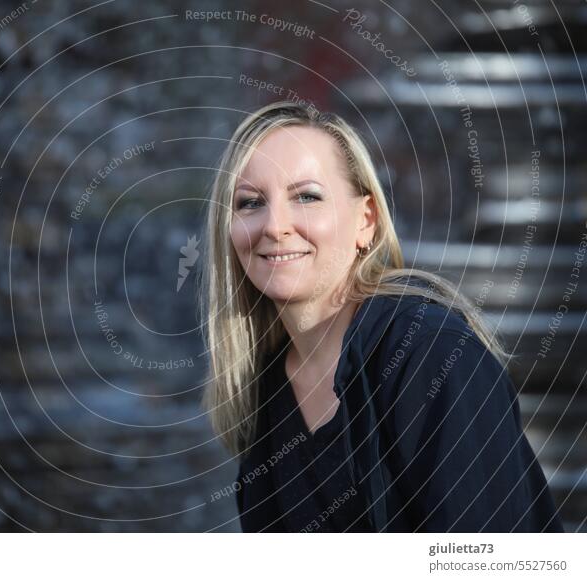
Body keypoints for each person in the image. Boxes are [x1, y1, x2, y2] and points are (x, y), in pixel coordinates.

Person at [199, 101, 564, 532]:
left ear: (365, 221)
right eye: (250, 203)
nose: (275, 225)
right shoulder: (267, 391)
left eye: (307, 197)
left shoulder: (431, 354)